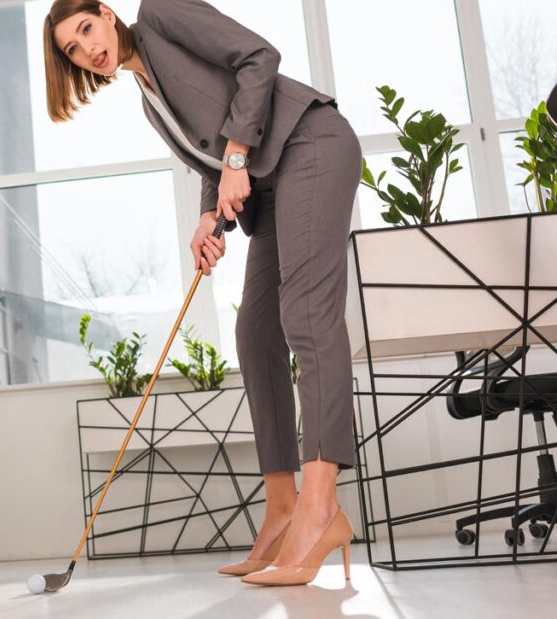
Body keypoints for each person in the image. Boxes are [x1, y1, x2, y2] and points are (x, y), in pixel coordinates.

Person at [44, 0, 362, 586]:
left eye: (86, 28)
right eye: (72, 48)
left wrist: (238, 156)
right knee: (253, 331)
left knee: (306, 313)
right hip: (270, 178)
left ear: (108, 15)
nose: (87, 49)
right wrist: (205, 218)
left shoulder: (160, 14)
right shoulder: (148, 98)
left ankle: (322, 510)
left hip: (311, 142)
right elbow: (213, 161)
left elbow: (259, 57)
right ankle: (284, 508)